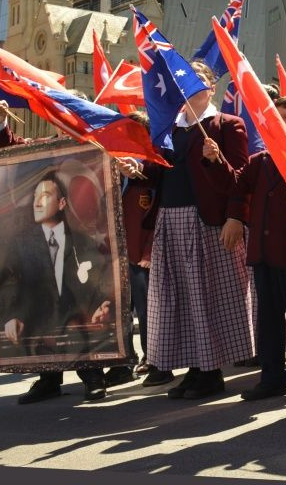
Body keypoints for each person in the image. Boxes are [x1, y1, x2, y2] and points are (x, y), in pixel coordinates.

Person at [146, 61, 253, 400]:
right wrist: (136, 168)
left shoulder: (226, 125)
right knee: (178, 297)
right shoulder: (168, 129)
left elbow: (240, 177)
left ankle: (211, 372)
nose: (190, 87)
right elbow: (158, 173)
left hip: (206, 221)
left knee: (206, 296)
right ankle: (194, 368)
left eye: (199, 80)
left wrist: (235, 217)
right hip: (170, 218)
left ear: (211, 87)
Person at [0, 171, 116, 403]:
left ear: (61, 203)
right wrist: (12, 315)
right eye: (35, 196)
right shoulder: (19, 244)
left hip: (80, 327)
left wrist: (105, 304)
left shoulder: (83, 241)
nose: (38, 201)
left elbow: (99, 280)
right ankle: (48, 379)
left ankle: (92, 377)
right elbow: (7, 281)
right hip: (38, 326)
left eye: (46, 195)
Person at [232, 95, 286, 401]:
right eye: (276, 116)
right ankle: (271, 377)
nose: (280, 122)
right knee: (268, 319)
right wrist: (214, 158)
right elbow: (237, 186)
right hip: (263, 253)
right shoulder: (260, 160)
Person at [116, 112, 169, 386]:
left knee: (149, 308)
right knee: (120, 309)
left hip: (143, 251)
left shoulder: (152, 165)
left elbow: (156, 211)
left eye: (134, 131)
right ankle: (122, 360)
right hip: (115, 252)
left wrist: (149, 249)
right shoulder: (113, 164)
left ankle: (154, 357)